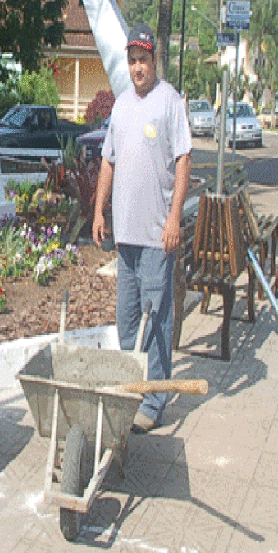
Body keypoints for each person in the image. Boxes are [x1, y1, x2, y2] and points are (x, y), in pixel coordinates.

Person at [92, 22, 192, 433]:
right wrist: (99, 211)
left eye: (143, 59)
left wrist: (173, 219)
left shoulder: (170, 102)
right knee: (128, 319)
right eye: (132, 60)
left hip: (156, 236)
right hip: (126, 236)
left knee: (158, 318)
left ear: (154, 60)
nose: (138, 67)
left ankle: (155, 400)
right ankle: (135, 388)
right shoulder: (120, 106)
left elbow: (183, 160)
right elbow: (108, 162)